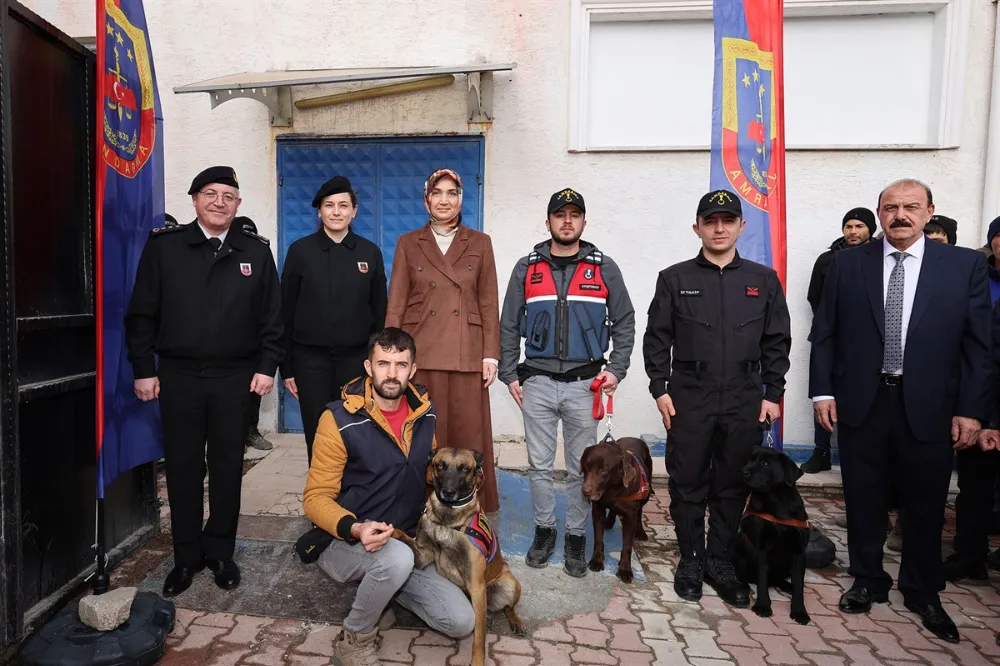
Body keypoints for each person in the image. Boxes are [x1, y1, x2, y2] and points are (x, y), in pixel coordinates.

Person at [810, 178, 991, 643]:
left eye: (911, 207)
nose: (900, 215)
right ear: (880, 212)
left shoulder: (963, 265)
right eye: (890, 208)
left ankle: (921, 589)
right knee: (864, 497)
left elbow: (979, 346)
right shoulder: (848, 264)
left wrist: (973, 411)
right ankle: (868, 579)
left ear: (930, 211)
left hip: (931, 404)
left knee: (926, 504)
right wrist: (822, 393)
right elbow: (825, 333)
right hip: (861, 403)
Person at [125, 166, 283, 596]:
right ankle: (185, 557)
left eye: (228, 195)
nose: (219, 202)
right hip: (179, 377)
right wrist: (143, 368)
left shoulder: (255, 252)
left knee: (229, 468)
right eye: (210, 194)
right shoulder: (166, 249)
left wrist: (266, 367)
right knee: (183, 468)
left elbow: (272, 319)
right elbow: (142, 315)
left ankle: (220, 553)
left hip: (235, 379)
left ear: (238, 204)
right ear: (194, 199)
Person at [643, 189, 791, 607]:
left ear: (742, 226)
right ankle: (690, 560)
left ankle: (720, 560)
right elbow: (657, 339)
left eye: (728, 220)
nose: (720, 228)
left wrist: (773, 393)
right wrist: (660, 388)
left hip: (745, 397)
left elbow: (777, 341)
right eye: (711, 221)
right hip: (690, 397)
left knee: (731, 484)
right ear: (698, 228)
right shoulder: (675, 278)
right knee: (687, 481)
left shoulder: (763, 280)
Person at [302, 328, 474, 666]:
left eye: (400, 364)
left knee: (460, 622)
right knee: (394, 560)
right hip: (343, 541)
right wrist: (355, 528)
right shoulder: (337, 419)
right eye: (383, 363)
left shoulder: (425, 413)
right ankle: (354, 637)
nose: (391, 374)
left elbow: (426, 472)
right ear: (369, 367)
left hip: (405, 541)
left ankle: (386, 594)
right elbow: (314, 498)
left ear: (413, 370)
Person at [498, 188, 635, 577]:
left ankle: (576, 536)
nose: (567, 221)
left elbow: (625, 321)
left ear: (584, 222)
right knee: (539, 466)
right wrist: (510, 372)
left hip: (585, 384)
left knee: (581, 470)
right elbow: (509, 322)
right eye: (560, 215)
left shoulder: (603, 267)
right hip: (538, 382)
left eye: (575, 215)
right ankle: (544, 531)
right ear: (549, 222)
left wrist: (616, 368)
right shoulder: (527, 267)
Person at [385, 168, 501, 517]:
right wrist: (393, 358)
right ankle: (419, 505)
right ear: (426, 200)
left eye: (452, 193)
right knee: (424, 434)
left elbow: (488, 301)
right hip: (422, 349)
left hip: (467, 351)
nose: (445, 200)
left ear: (461, 199)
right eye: (438, 193)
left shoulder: (480, 243)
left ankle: (472, 505)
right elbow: (397, 302)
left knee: (468, 432)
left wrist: (491, 355)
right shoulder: (408, 242)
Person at [280, 176, 387, 464]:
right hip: (309, 362)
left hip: (355, 361)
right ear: (319, 212)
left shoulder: (369, 253)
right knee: (318, 433)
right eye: (329, 205)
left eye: (343, 205)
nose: (336, 212)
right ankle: (320, 499)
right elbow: (285, 313)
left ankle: (354, 497)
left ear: (354, 210)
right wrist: (287, 367)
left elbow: (380, 313)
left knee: (357, 430)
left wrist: (377, 364)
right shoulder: (300, 252)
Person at [944, 216, 1000, 582]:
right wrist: (982, 416)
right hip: (981, 405)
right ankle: (970, 556)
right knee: (974, 487)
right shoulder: (974, 275)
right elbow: (981, 354)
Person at [802, 207, 875, 473]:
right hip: (830, 338)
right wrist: (831, 328)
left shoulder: (879, 258)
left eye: (859, 226)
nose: (853, 232)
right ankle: (821, 450)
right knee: (823, 392)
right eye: (849, 226)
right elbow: (815, 297)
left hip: (864, 342)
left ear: (870, 229)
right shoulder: (826, 260)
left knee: (857, 394)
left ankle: (855, 453)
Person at [228, 215, 274, 453]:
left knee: (254, 393)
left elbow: (271, 305)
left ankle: (250, 431)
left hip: (255, 342)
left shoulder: (259, 256)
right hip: (229, 345)